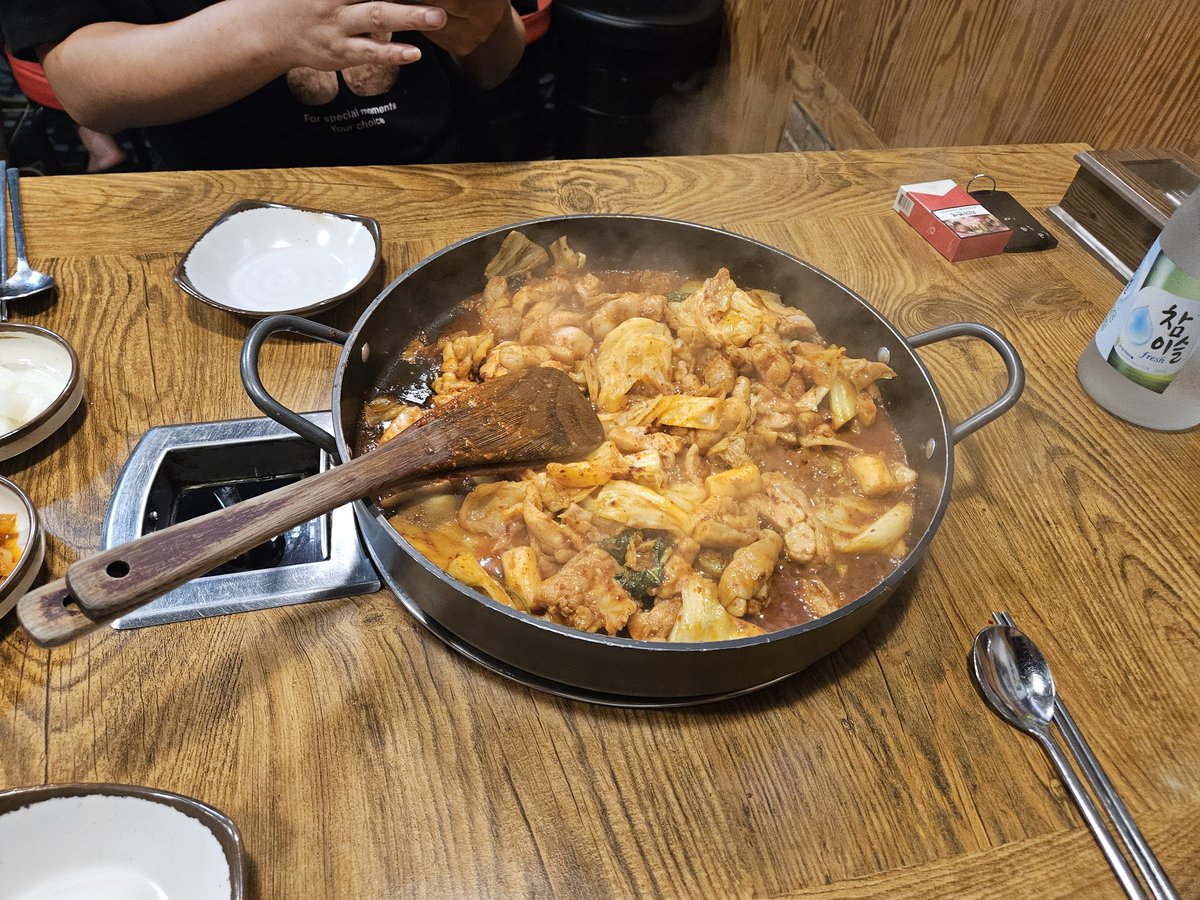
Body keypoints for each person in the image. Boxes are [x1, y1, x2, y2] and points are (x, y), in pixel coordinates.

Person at [0, 0, 525, 170]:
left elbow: (496, 63)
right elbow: (83, 86)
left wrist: (484, 21)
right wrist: (271, 32)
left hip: (450, 180)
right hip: (226, 214)